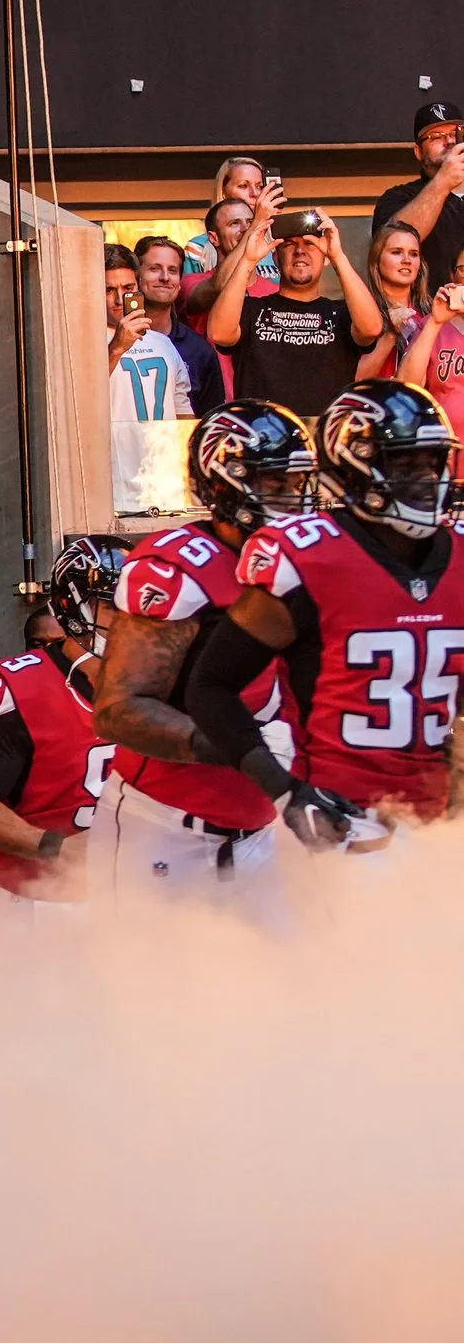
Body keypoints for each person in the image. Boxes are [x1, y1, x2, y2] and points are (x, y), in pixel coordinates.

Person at [188, 380, 463, 845]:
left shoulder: (458, 554)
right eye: (404, 462)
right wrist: (285, 791)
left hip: (437, 817)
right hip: (338, 818)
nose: (423, 477)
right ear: (352, 465)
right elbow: (211, 687)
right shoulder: (307, 556)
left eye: (432, 462)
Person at [89, 403, 312, 907]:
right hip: (164, 829)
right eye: (276, 485)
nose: (294, 501)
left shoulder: (299, 560)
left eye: (298, 484)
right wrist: (239, 747)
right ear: (224, 483)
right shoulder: (178, 568)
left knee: (288, 980)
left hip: (260, 832)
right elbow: (117, 710)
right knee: (151, 984)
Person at [0, 537, 126, 914]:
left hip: (129, 898)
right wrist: (56, 848)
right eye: (112, 604)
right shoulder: (24, 687)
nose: (129, 618)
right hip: (39, 900)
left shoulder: (161, 677)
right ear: (75, 608)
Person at [207, 206, 382, 418]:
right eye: (289, 245)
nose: (300, 251)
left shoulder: (340, 313)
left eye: (310, 244)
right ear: (275, 259)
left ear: (324, 257)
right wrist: (248, 260)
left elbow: (372, 328)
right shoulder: (252, 309)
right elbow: (218, 333)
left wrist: (337, 256)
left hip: (322, 440)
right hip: (262, 438)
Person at [107, 244, 194, 514]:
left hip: (167, 488)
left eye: (128, 288)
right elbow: (78, 400)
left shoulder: (164, 344)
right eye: (110, 290)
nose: (120, 299)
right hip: (115, 489)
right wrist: (117, 347)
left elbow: (184, 418)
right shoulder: (81, 339)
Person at [372, 101, 464, 305]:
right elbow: (392, 241)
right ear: (418, 151)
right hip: (423, 324)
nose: (449, 141)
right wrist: (444, 181)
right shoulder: (398, 197)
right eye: (436, 137)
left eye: (455, 133)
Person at [133, 235, 224, 416]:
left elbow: (209, 420)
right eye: (154, 269)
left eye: (173, 270)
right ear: (136, 278)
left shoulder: (199, 350)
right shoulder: (116, 340)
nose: (165, 277)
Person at [397, 246, 464, 427]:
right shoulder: (432, 323)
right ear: (452, 276)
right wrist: (435, 322)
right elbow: (406, 388)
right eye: (463, 270)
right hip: (445, 446)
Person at [358, 221, 426, 380]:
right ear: (376, 259)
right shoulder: (360, 312)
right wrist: (390, 334)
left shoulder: (431, 313)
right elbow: (357, 379)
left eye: (414, 253)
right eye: (396, 252)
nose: (407, 260)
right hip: (373, 402)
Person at [184, 157, 272, 275]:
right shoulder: (198, 247)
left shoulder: (276, 241)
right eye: (243, 186)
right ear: (223, 192)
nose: (255, 193)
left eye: (259, 187)